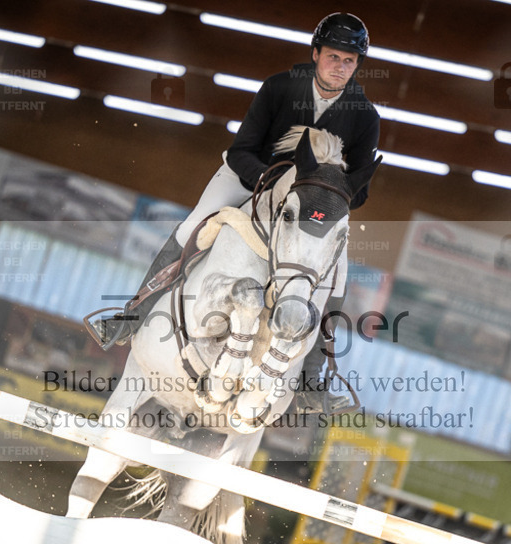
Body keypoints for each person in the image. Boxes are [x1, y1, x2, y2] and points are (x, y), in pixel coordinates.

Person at [89, 12, 380, 414]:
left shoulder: (365, 117)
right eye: (334, 57)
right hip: (249, 178)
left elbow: (356, 191)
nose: (340, 67)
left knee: (339, 271)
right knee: (195, 222)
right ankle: (132, 315)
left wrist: (323, 201)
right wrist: (272, 185)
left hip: (308, 204)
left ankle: (314, 375)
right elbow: (243, 148)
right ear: (316, 54)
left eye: (349, 61)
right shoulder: (279, 87)